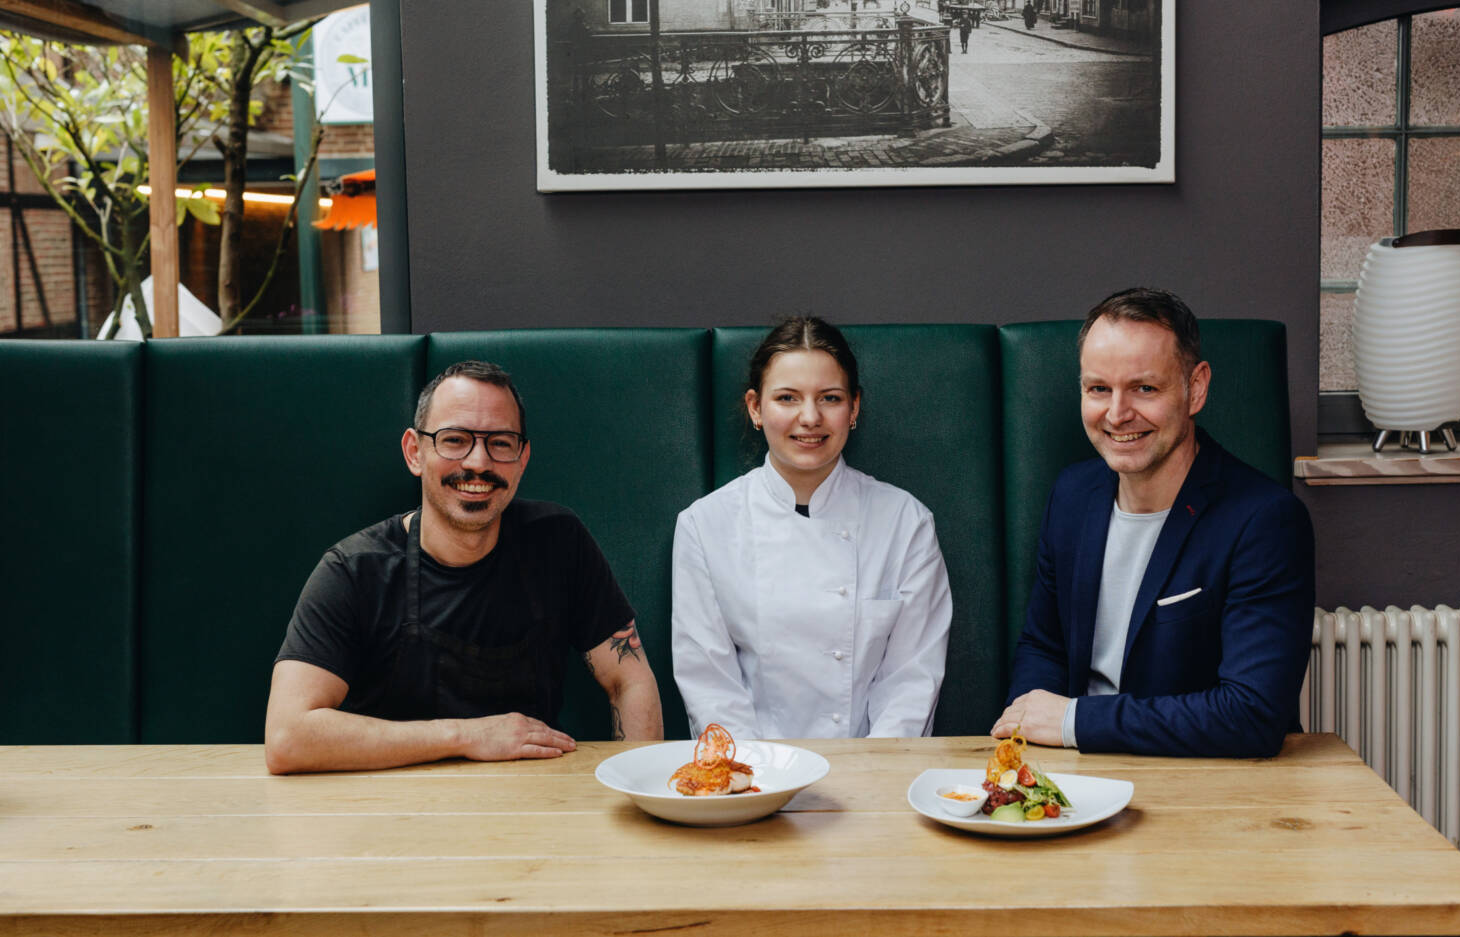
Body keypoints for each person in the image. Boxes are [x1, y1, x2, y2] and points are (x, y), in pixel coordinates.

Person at [265, 360, 664, 774]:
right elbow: (287, 737)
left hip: (537, 802)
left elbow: (629, 681)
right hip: (390, 812)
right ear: (414, 452)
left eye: (501, 443)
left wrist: (639, 788)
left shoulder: (560, 542)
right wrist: (468, 736)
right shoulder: (353, 570)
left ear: (523, 458)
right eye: (454, 440)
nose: (478, 462)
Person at [992, 288, 1313, 758]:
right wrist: (1026, 735)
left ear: (1195, 388)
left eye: (1145, 388)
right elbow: (1045, 646)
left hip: (1210, 784)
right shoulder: (1072, 496)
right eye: (1099, 388)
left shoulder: (1265, 521)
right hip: (1077, 772)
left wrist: (1071, 721)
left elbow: (1251, 714)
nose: (1118, 414)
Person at [672, 317, 953, 740]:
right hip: (751, 781)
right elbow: (710, 686)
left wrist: (874, 776)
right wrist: (756, 780)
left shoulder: (906, 523)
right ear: (755, 407)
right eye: (787, 398)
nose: (809, 417)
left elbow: (912, 682)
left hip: (874, 777)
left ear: (854, 407)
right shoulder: (704, 525)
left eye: (830, 398)